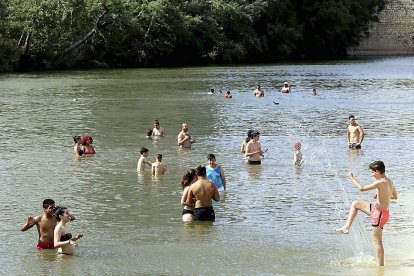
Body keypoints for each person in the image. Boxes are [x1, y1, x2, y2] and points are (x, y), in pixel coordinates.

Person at [335, 161, 398, 266]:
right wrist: (379, 197)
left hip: (379, 215)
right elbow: (395, 197)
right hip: (379, 211)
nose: (371, 174)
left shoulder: (379, 182)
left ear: (377, 171)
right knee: (356, 204)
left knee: (377, 242)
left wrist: (351, 177)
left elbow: (362, 189)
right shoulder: (389, 182)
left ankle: (380, 267)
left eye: (372, 172)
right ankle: (346, 227)